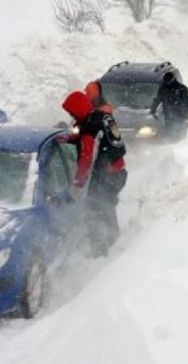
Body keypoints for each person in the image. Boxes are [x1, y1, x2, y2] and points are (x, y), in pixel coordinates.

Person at [62, 90, 127, 257]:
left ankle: (100, 253)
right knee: (107, 209)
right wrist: (72, 139)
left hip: (107, 177)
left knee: (94, 211)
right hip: (119, 172)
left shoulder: (90, 128)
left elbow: (86, 159)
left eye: (72, 113)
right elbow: (98, 138)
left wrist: (78, 183)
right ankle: (116, 244)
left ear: (78, 110)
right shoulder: (102, 117)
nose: (72, 116)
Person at [150, 71, 188, 140]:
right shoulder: (163, 88)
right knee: (169, 133)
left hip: (180, 116)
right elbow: (158, 99)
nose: (166, 83)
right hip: (168, 115)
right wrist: (153, 109)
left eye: (168, 81)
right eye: (165, 81)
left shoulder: (181, 89)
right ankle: (170, 144)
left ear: (172, 80)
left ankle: (181, 146)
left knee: (179, 134)